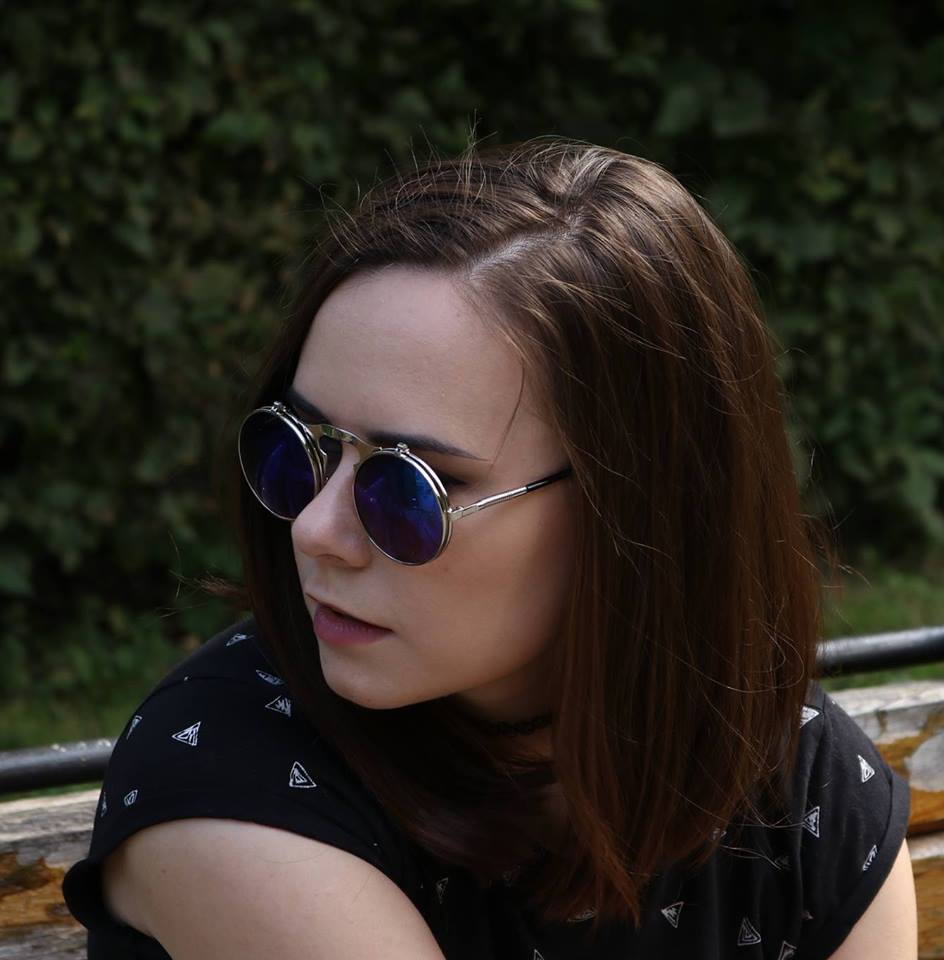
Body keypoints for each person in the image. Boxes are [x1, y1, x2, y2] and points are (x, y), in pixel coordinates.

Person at [62, 137, 917, 959]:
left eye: (408, 489)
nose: (315, 529)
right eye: (299, 449)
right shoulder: (229, 775)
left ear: (637, 509)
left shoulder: (798, 788)